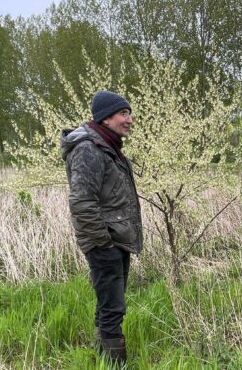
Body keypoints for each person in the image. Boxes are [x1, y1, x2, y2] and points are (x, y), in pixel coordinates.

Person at [61, 90, 143, 364]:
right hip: (105, 241)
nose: (129, 119)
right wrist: (102, 244)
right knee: (113, 307)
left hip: (115, 238)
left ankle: (102, 356)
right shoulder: (88, 149)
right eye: (124, 113)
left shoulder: (107, 147)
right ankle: (115, 363)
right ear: (106, 118)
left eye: (129, 113)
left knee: (109, 303)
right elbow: (82, 203)